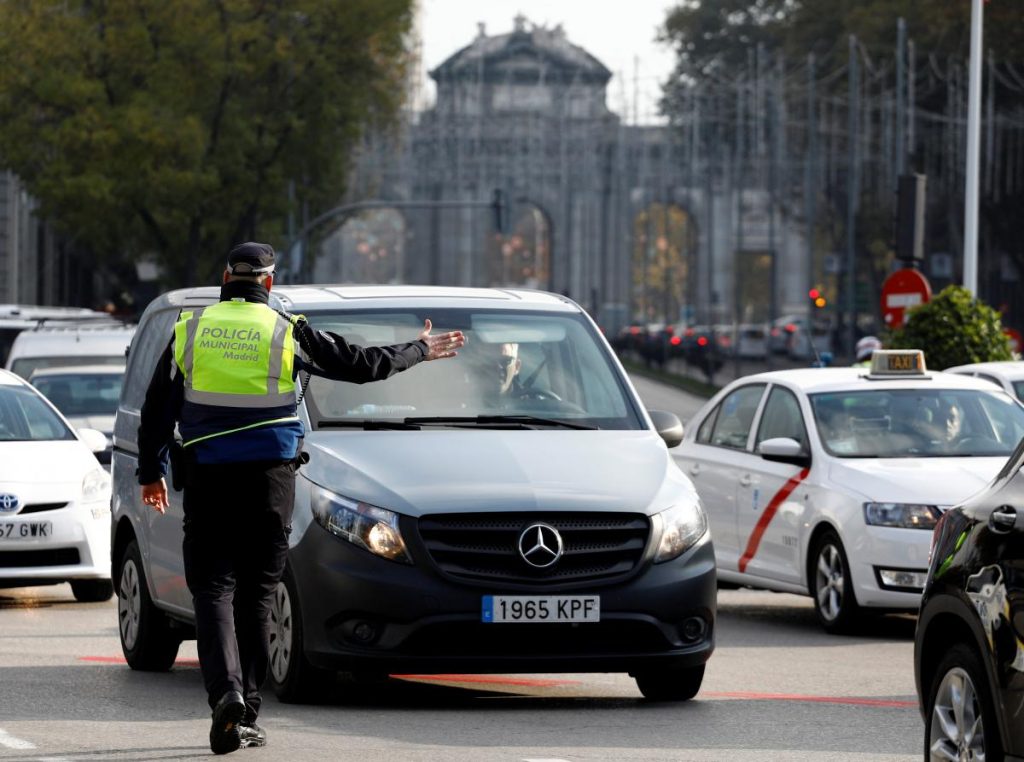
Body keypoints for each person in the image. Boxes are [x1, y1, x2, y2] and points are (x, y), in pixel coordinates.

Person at [136, 242, 464, 755]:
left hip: (207, 479)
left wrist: (149, 471)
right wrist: (419, 349)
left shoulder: (191, 329)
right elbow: (360, 365)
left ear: (226, 277)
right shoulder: (286, 330)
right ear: (269, 282)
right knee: (259, 592)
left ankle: (224, 695)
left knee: (213, 589)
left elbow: (158, 406)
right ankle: (245, 704)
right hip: (270, 481)